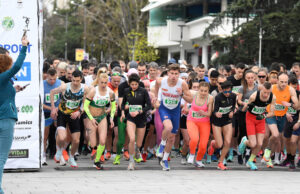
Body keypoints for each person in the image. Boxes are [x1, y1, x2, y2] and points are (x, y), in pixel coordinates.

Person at [0, 36, 28, 193]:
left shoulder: (4, 81)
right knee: (1, 158)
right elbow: (17, 66)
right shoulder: (4, 77)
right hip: (5, 120)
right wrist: (23, 47)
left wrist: (14, 90)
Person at [155, 64, 192, 171]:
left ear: (179, 74)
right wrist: (157, 98)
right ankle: (161, 145)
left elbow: (190, 100)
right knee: (168, 127)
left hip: (175, 111)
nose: (174, 76)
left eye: (176, 74)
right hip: (164, 108)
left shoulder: (182, 83)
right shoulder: (161, 80)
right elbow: (157, 86)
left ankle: (165, 160)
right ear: (168, 73)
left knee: (171, 138)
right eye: (172, 73)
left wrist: (181, 95)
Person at [50, 69, 89, 168]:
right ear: (71, 79)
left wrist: (79, 112)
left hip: (74, 115)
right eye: (73, 80)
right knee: (62, 137)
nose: (75, 83)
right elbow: (52, 92)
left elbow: (85, 105)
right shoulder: (64, 87)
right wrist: (53, 108)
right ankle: (58, 151)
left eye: (78, 81)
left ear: (81, 80)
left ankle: (71, 158)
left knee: (76, 140)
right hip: (62, 114)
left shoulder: (85, 89)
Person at [263, 73, 298, 167]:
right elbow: (261, 95)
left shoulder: (290, 90)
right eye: (281, 82)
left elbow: (297, 106)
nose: (283, 84)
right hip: (271, 114)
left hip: (282, 117)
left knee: (276, 137)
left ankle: (268, 152)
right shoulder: (272, 88)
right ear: (277, 80)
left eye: (286, 82)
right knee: (275, 134)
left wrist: (290, 104)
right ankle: (267, 152)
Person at [238, 82, 275, 170]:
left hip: (260, 119)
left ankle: (250, 161)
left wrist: (263, 116)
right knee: (253, 144)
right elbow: (244, 108)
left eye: (268, 93)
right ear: (261, 89)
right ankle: (244, 141)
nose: (266, 95)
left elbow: (272, 113)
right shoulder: (253, 96)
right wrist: (245, 106)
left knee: (259, 144)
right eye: (264, 92)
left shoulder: (273, 97)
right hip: (250, 118)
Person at [83, 70, 116, 169]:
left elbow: (113, 107)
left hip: (102, 117)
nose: (103, 84)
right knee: (93, 143)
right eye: (101, 82)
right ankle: (93, 148)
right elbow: (85, 106)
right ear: (98, 81)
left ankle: (97, 161)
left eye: (105, 83)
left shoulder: (110, 92)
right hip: (91, 117)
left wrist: (111, 118)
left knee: (102, 140)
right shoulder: (93, 90)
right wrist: (91, 119)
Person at [120, 74, 151, 170]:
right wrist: (122, 113)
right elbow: (122, 104)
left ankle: (138, 150)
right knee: (132, 138)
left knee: (139, 144)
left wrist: (139, 111)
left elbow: (149, 106)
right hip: (131, 118)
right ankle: (131, 161)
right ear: (129, 84)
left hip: (141, 118)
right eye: (132, 84)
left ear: (138, 84)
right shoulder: (126, 91)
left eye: (135, 84)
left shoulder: (143, 91)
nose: (134, 86)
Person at [209, 81, 236, 170]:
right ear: (222, 90)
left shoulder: (233, 96)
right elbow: (214, 110)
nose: (227, 93)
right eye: (225, 92)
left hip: (227, 120)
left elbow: (233, 106)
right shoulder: (218, 97)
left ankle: (220, 162)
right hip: (217, 121)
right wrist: (216, 113)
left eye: (229, 91)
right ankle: (213, 144)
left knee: (228, 142)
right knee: (219, 144)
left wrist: (232, 111)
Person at [186, 82, 213, 167]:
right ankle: (191, 154)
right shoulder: (193, 94)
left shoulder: (210, 98)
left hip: (204, 122)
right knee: (194, 139)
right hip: (192, 121)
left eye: (205, 91)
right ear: (198, 90)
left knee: (203, 144)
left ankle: (198, 160)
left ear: (208, 91)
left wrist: (203, 113)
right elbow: (183, 94)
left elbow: (209, 114)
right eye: (201, 90)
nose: (203, 93)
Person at [42, 68, 63, 165]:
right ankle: (43, 155)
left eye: (54, 79)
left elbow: (64, 99)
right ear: (46, 76)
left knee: (59, 134)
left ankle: (59, 154)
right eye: (50, 79)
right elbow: (39, 103)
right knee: (45, 136)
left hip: (57, 111)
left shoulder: (60, 83)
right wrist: (51, 109)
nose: (52, 81)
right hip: (46, 112)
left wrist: (57, 109)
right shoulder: (41, 84)